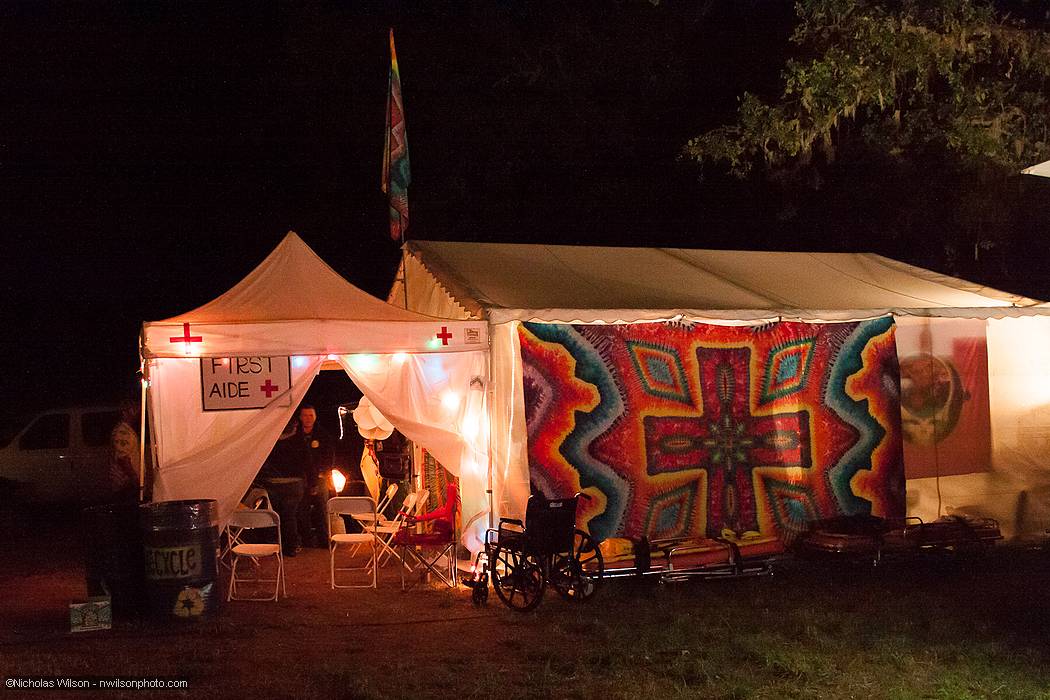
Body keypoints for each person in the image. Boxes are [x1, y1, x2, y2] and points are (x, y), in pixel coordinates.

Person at [256, 419, 304, 556]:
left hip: (272, 483)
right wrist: (311, 482)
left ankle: (273, 546)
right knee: (289, 516)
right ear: (294, 428)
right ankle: (291, 547)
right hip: (294, 483)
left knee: (273, 516)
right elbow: (307, 461)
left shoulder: (269, 443)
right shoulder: (298, 442)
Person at [289, 405, 335, 548]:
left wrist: (322, 474)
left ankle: (324, 540)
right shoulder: (295, 436)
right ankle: (307, 539)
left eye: (310, 415)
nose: (308, 418)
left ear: (315, 417)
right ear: (300, 417)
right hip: (301, 479)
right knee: (301, 509)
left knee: (321, 508)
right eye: (305, 415)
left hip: (319, 477)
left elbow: (329, 457)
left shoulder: (323, 435)